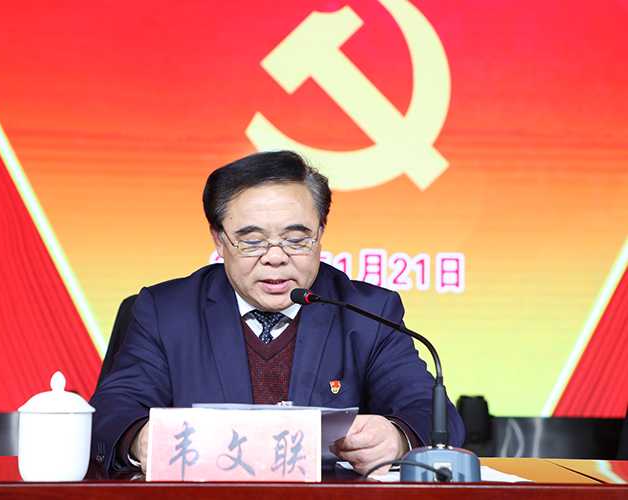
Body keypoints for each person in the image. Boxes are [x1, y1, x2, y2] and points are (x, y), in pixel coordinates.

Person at [90, 150, 464, 475]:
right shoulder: (168, 312)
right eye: (252, 241)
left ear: (320, 232)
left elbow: (431, 412)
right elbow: (111, 410)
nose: (275, 256)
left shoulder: (367, 313)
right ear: (219, 239)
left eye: (296, 239)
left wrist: (398, 438)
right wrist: (140, 439)